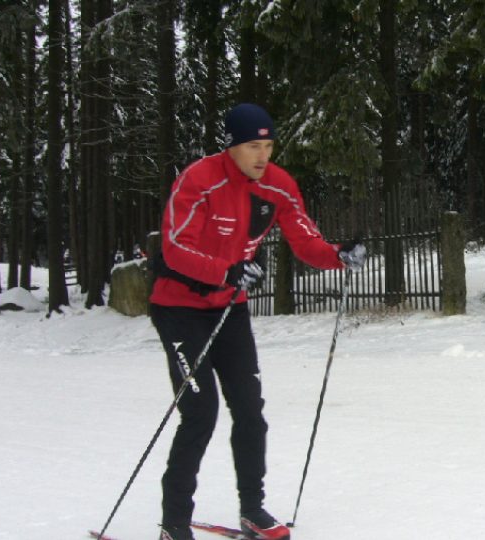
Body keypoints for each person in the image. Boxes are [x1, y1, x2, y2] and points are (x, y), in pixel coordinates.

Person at [148, 103, 367, 540]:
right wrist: (223, 270)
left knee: (249, 410)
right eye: (253, 146)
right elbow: (174, 248)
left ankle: (253, 509)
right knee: (201, 412)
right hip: (179, 308)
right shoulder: (199, 180)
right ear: (232, 146)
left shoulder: (278, 185)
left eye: (268, 145)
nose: (262, 156)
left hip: (230, 308)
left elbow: (304, 239)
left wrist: (337, 254)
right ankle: (174, 524)